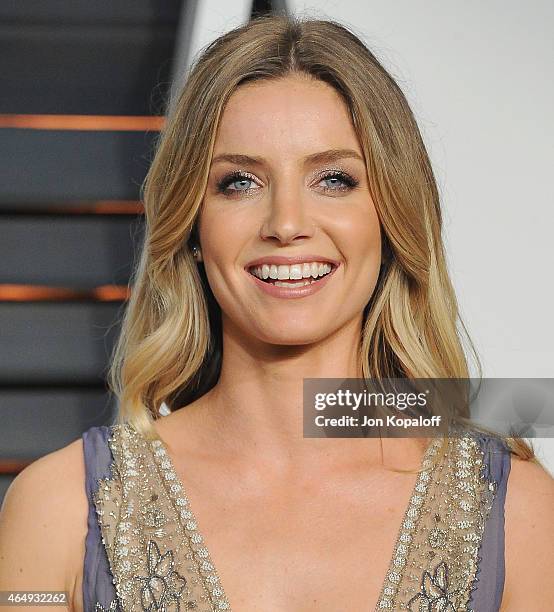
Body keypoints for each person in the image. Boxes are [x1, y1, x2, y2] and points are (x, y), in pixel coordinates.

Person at [1, 14, 553, 612]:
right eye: (239, 182)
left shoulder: (515, 510)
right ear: (191, 222)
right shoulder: (58, 510)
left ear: (392, 217)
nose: (286, 224)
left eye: (334, 179)